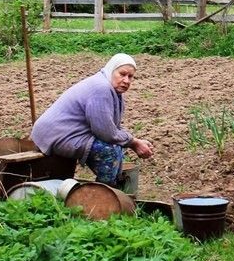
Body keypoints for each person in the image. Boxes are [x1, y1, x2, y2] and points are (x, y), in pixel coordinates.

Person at [31, 53, 154, 187]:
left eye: (130, 77)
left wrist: (132, 140)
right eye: (122, 74)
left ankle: (113, 191)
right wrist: (133, 142)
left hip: (70, 133)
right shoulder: (101, 88)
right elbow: (105, 132)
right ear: (111, 70)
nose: (126, 80)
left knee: (117, 146)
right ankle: (102, 196)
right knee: (109, 150)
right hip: (55, 135)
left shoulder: (112, 91)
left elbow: (112, 127)